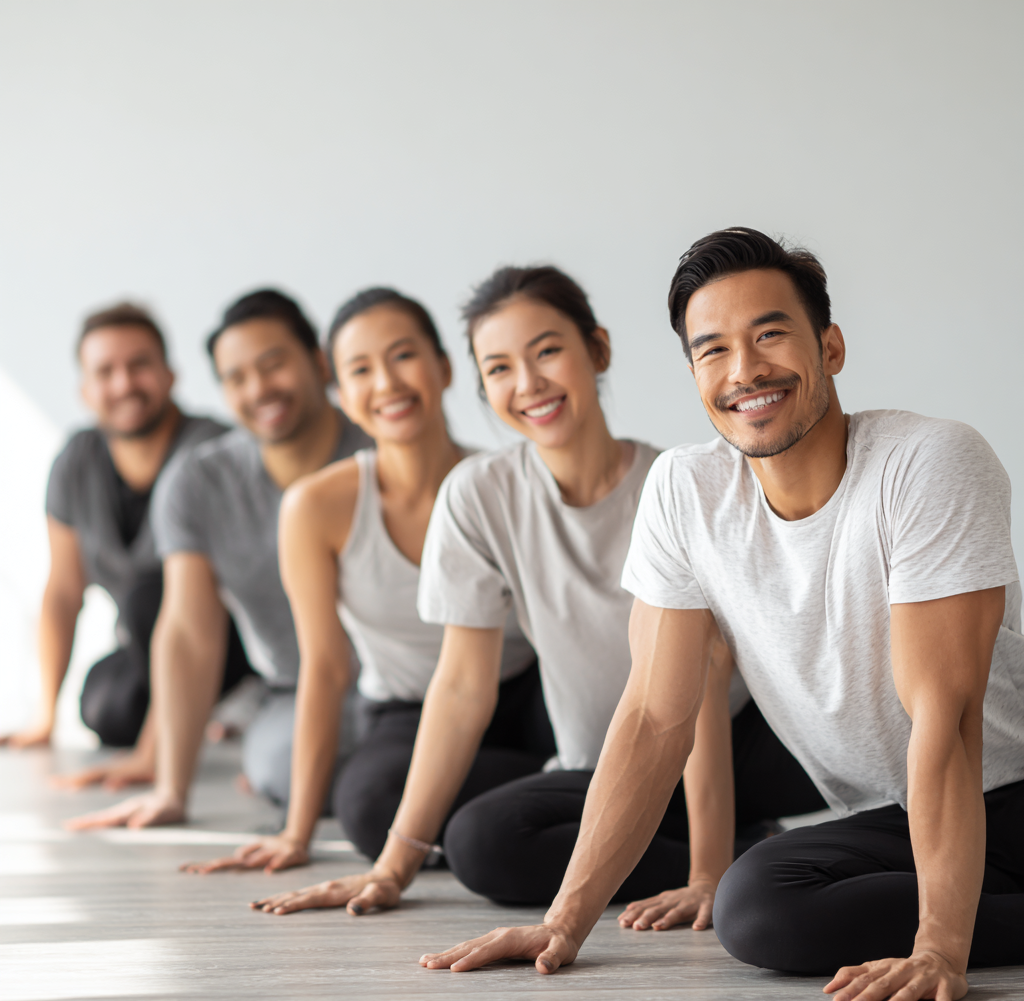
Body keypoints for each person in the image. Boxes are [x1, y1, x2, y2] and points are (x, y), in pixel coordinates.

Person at [417, 229, 1024, 1001]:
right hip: (895, 813)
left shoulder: (929, 461)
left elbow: (946, 721)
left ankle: (964, 912)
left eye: (771, 333)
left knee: (762, 912)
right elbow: (654, 714)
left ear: (830, 346)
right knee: (758, 904)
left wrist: (942, 946)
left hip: (1007, 790)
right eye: (713, 350)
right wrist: (564, 923)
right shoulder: (685, 489)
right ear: (693, 373)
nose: (746, 372)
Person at [249, 265, 823, 919]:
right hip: (604, 757)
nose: (529, 385)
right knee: (481, 842)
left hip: (733, 739)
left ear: (597, 350)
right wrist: (391, 869)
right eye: (498, 368)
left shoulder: (678, 485)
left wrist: (706, 874)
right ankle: (754, 856)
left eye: (548, 351)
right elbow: (463, 686)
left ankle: (736, 864)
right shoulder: (478, 494)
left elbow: (701, 690)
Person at [181, 287, 551, 876]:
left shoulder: (506, 483)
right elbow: (325, 667)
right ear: (342, 393)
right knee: (365, 806)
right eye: (360, 369)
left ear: (445, 367)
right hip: (406, 712)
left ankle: (542, 798)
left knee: (592, 746)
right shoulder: (315, 507)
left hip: (525, 697)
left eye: (403, 356)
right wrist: (295, 832)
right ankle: (553, 793)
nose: (386, 383)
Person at [64, 288, 372, 830]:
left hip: (401, 688)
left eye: (274, 364)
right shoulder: (200, 480)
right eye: (236, 377)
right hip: (291, 692)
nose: (259, 389)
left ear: (319, 362)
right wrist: (171, 790)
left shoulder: (380, 457)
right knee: (283, 766)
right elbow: (187, 629)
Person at [0, 303, 239, 786]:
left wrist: (154, 756)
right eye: (105, 371)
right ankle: (196, 716)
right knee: (105, 708)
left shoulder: (212, 452)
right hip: (149, 640)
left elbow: (194, 611)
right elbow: (65, 590)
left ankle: (240, 704)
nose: (124, 384)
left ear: (171, 374)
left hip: (228, 636)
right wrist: (45, 717)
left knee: (147, 598)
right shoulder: (77, 459)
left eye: (140, 365)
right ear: (84, 390)